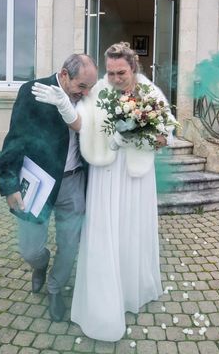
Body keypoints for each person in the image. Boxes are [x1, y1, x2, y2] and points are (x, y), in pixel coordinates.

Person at [69, 42, 175, 342]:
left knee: (132, 229)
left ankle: (131, 290)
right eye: (111, 72)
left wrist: (142, 136)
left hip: (136, 176)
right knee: (105, 230)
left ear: (133, 68)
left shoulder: (150, 93)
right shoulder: (97, 92)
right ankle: (104, 295)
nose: (115, 78)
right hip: (105, 174)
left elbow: (167, 133)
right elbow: (82, 124)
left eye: (122, 72)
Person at [0, 54, 97, 322]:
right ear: (64, 75)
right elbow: (15, 139)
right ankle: (40, 265)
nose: (85, 93)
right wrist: (9, 185)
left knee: (69, 244)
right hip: (38, 182)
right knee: (29, 249)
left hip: (74, 181)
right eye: (81, 87)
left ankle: (55, 288)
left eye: (89, 87)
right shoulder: (31, 92)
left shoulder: (89, 99)